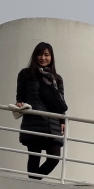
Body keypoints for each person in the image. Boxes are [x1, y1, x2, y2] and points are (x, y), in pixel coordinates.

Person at [15, 42, 68, 180]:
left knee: (54, 158)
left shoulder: (56, 78)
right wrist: (19, 103)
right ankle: (33, 185)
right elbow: (20, 95)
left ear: (51, 57)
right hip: (34, 121)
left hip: (53, 123)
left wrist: (62, 120)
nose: (43, 58)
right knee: (34, 157)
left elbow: (60, 101)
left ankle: (33, 183)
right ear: (34, 56)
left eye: (46, 55)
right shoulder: (26, 74)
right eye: (39, 54)